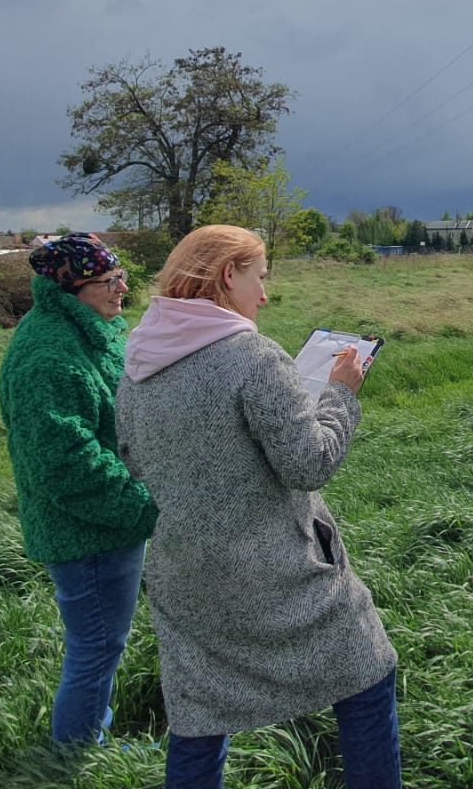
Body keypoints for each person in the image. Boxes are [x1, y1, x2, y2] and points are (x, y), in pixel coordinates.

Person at [116, 225, 400, 789]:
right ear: (228, 275)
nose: (264, 295)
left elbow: (133, 459)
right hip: (277, 576)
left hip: (185, 577)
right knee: (369, 674)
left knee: (197, 720)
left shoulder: (137, 360)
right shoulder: (253, 356)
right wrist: (340, 392)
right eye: (260, 277)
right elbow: (309, 464)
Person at [0, 232, 157, 746]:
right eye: (111, 281)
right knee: (97, 645)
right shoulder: (50, 355)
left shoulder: (87, 331)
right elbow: (65, 463)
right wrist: (142, 509)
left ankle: (86, 739)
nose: (123, 289)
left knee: (102, 641)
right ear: (73, 288)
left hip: (105, 525)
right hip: (88, 531)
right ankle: (74, 755)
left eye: (121, 277)